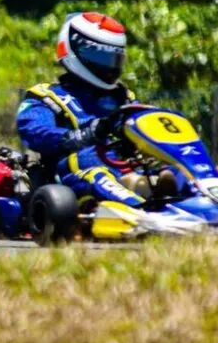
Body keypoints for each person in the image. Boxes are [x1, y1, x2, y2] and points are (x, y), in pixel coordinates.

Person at [15, 12, 153, 205]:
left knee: (174, 169)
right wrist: (83, 135)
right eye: (99, 56)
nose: (108, 66)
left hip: (128, 164)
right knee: (95, 170)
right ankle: (140, 207)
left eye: (113, 58)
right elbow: (34, 132)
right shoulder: (46, 96)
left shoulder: (125, 98)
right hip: (74, 170)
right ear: (74, 49)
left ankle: (190, 200)